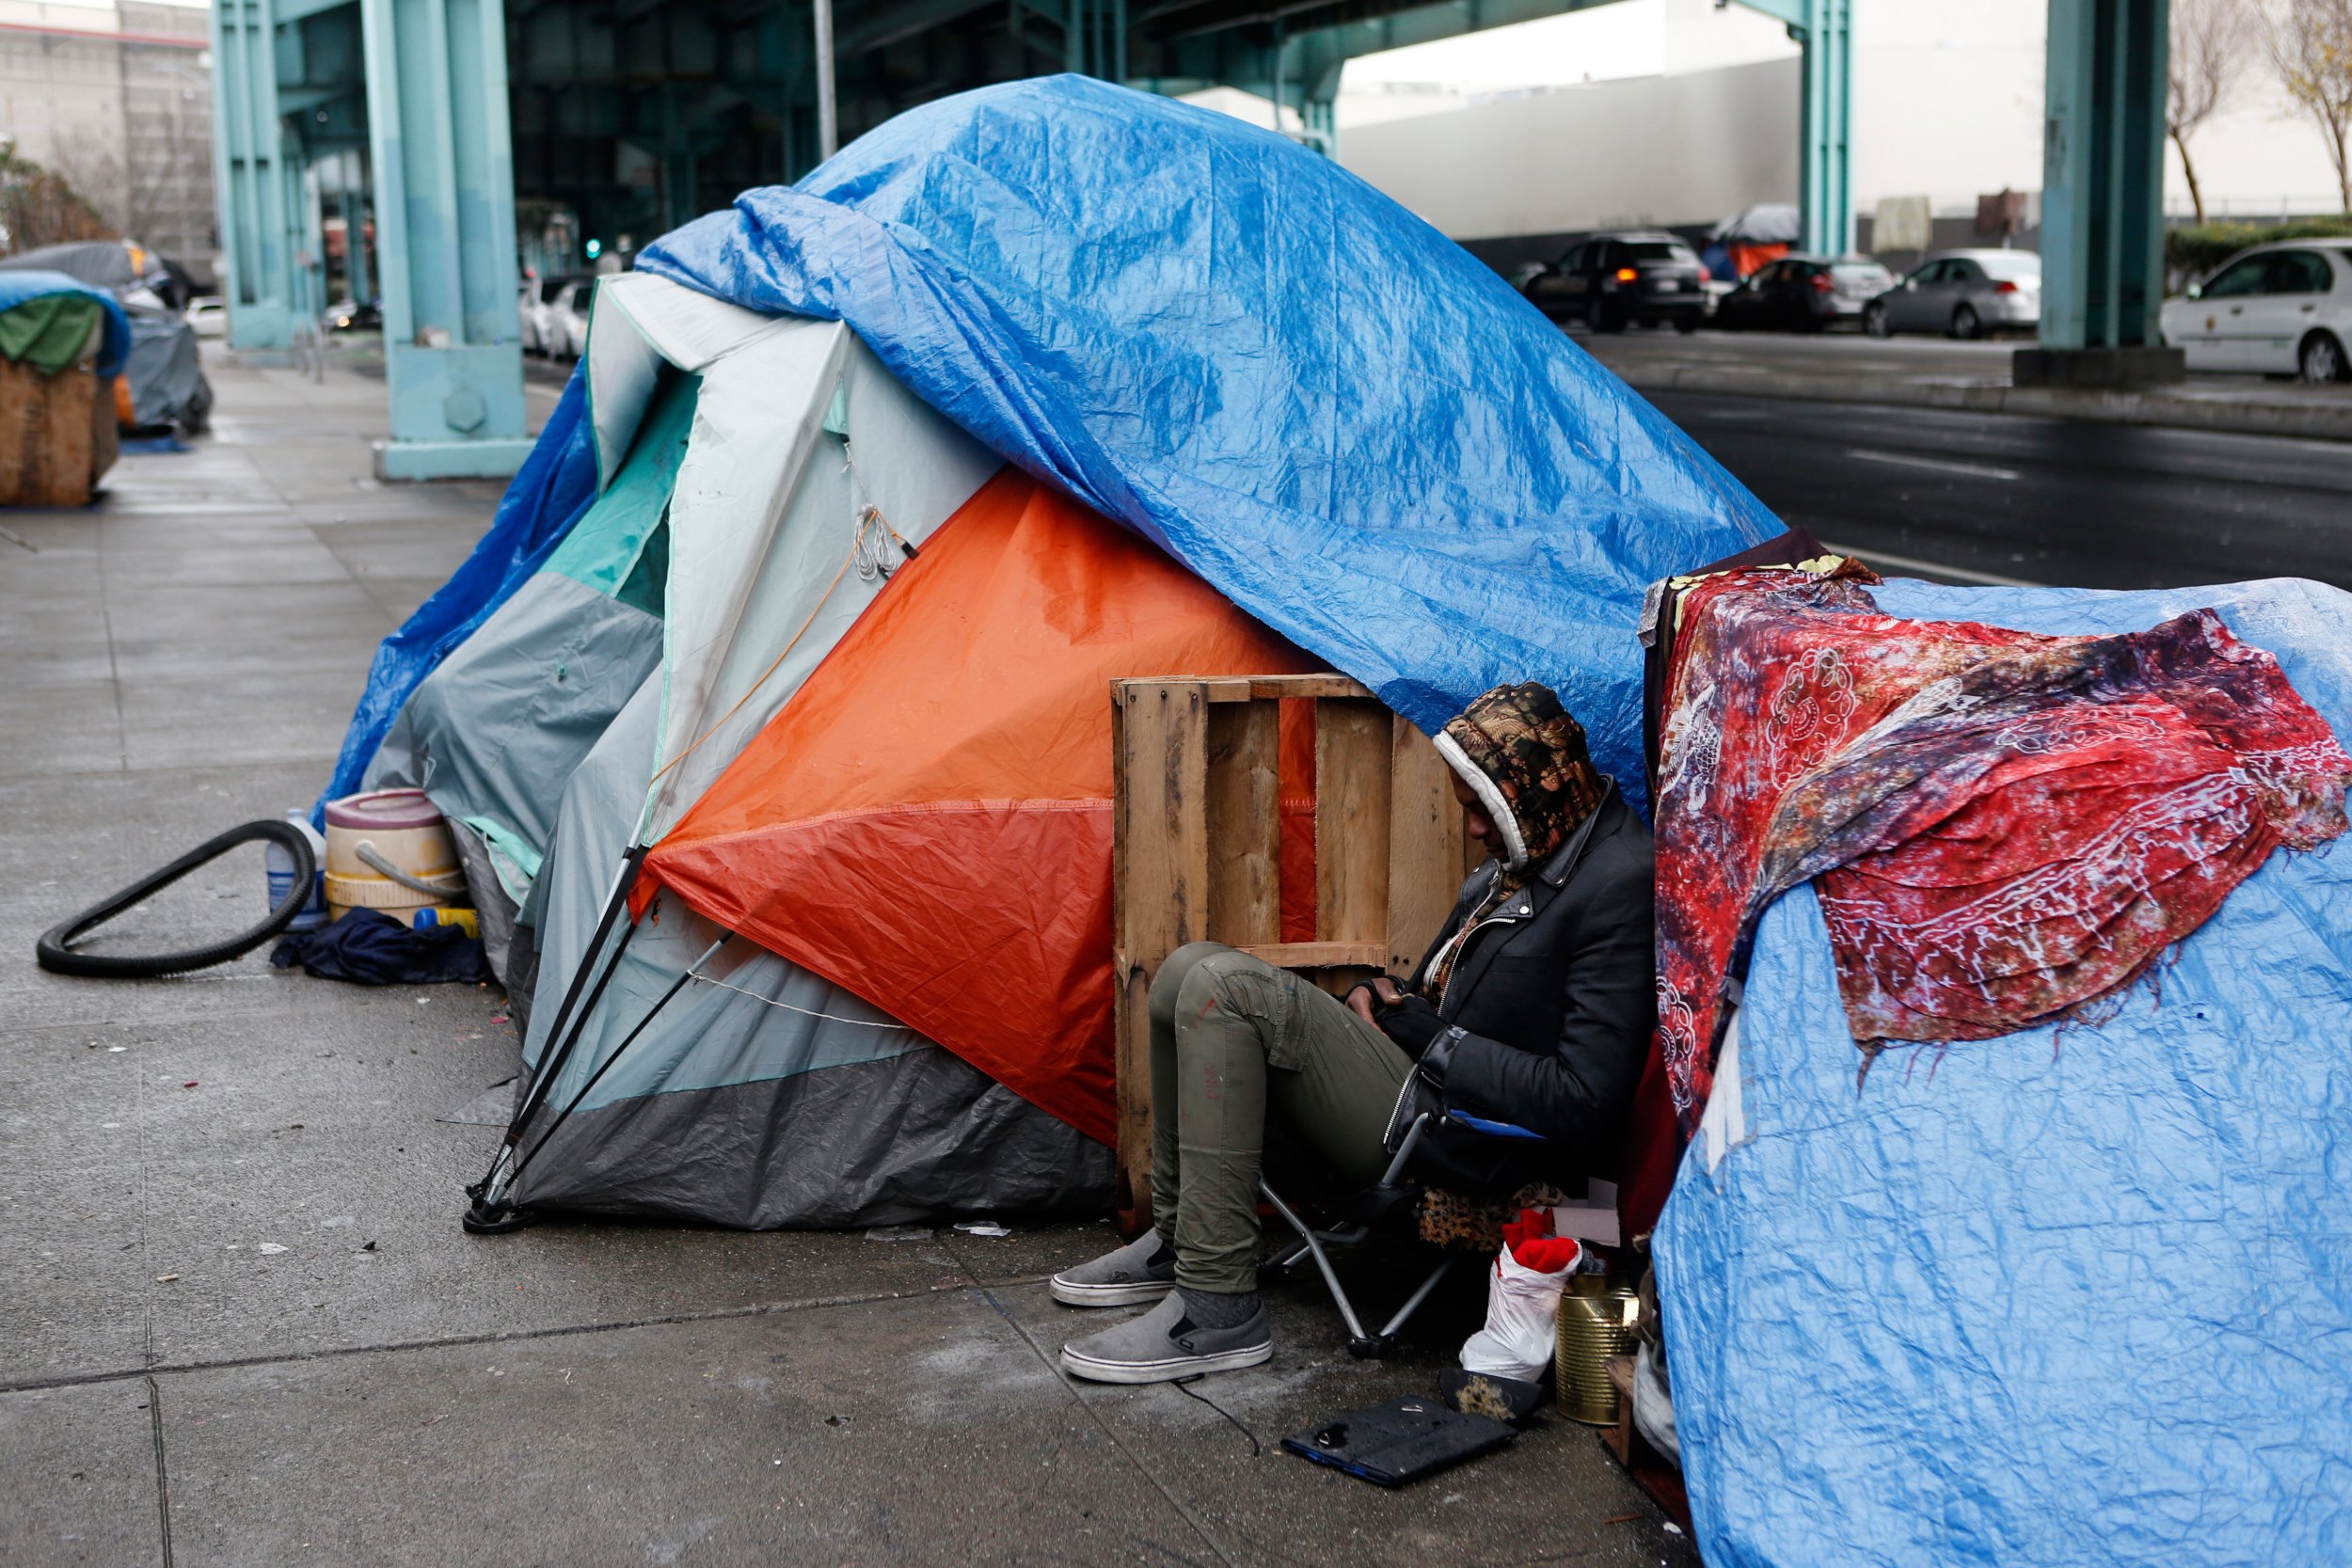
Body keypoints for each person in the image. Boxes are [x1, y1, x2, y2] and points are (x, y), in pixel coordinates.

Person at [1054, 681, 1656, 1384]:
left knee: (1225, 990)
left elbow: (1585, 1097)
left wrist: (1437, 1039)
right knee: (1180, 971)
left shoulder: (1617, 882)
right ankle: (1182, 1234)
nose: (1473, 831)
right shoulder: (1541, 841)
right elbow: (1441, 978)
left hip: (1461, 1133)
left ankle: (1216, 1311)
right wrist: (1379, 990)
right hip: (1424, 1076)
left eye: (1480, 810)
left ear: (1524, 790)